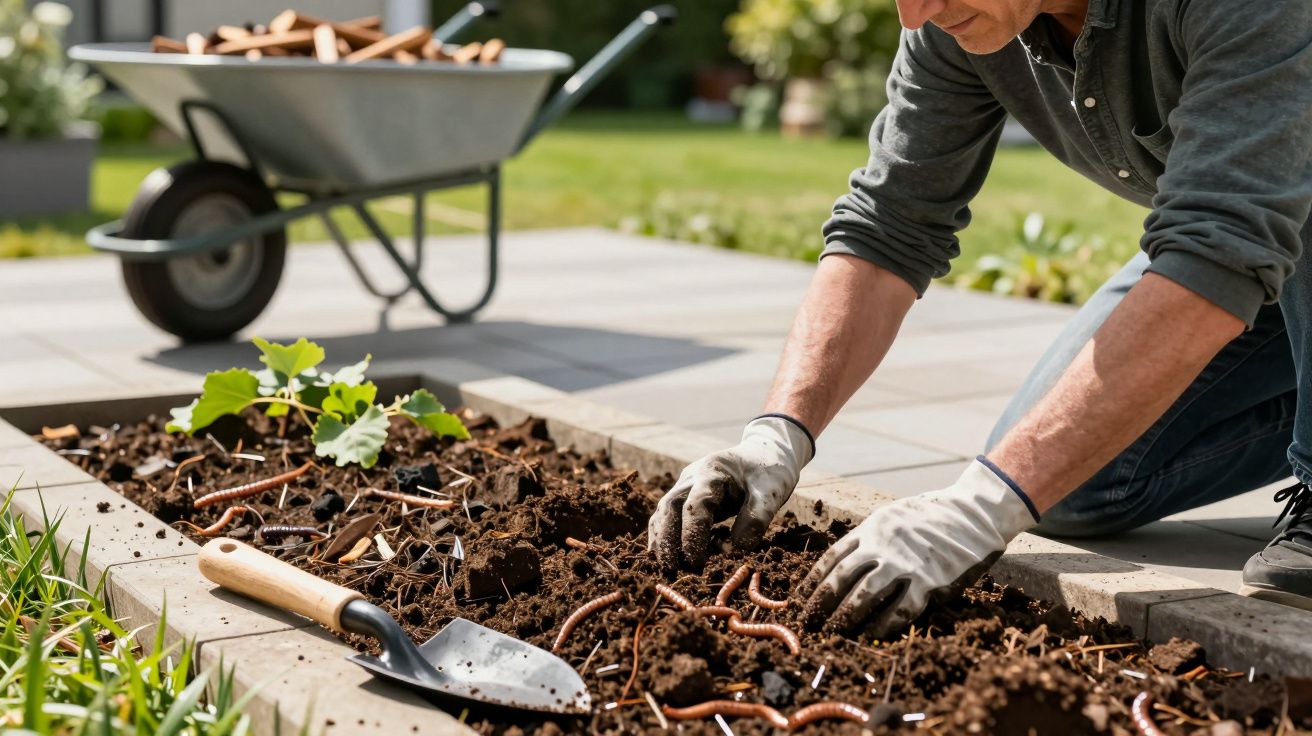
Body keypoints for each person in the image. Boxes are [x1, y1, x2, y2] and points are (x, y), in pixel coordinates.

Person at [648, 0, 1312, 636]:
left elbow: (1216, 251)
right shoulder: (955, 17)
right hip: (1258, 243)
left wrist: (978, 509)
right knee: (1070, 487)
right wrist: (776, 437)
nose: (915, 13)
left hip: (1262, 226)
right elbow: (889, 224)